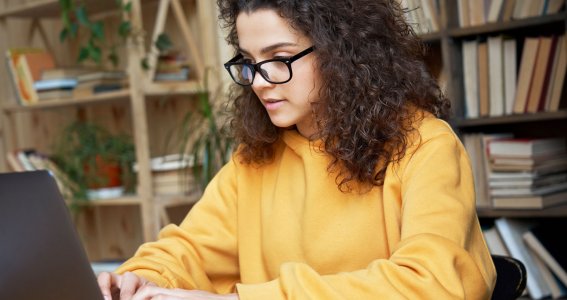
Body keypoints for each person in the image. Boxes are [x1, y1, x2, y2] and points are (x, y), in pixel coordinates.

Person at [98, 0, 496, 299]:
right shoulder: (253, 162)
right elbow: (189, 251)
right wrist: (139, 279)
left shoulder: (426, 146)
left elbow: (433, 284)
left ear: (345, 53)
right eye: (249, 62)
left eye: (280, 58)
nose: (258, 81)